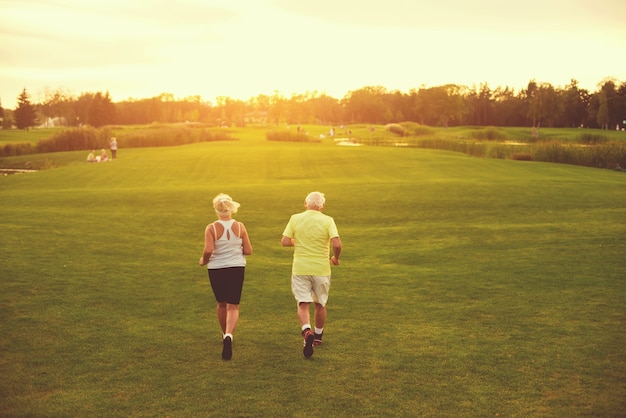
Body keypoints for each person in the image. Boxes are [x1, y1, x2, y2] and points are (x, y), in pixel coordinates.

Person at [281, 191, 342, 359]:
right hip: (321, 268)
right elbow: (336, 243)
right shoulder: (327, 220)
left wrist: (297, 241)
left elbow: (285, 241)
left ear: (305, 204)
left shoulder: (295, 218)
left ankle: (306, 330)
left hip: (300, 268)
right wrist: (335, 258)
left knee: (303, 303)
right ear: (322, 206)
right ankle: (318, 336)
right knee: (320, 304)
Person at [199, 193, 253, 360]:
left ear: (216, 210)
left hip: (216, 268)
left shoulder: (211, 228)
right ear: (231, 209)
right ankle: (229, 335)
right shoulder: (240, 226)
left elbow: (208, 250)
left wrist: (203, 261)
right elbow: (248, 250)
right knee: (233, 305)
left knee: (221, 304)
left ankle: (225, 334)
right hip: (236, 267)